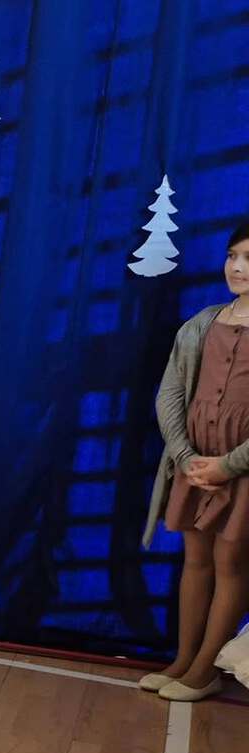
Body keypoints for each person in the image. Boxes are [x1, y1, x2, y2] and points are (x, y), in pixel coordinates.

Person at [141, 222, 249, 702]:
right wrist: (185, 456)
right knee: (196, 560)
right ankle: (184, 660)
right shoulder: (203, 323)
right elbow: (169, 393)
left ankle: (205, 669)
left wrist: (229, 465)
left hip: (239, 469)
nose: (237, 267)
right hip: (195, 463)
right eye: (232, 256)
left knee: (231, 562)